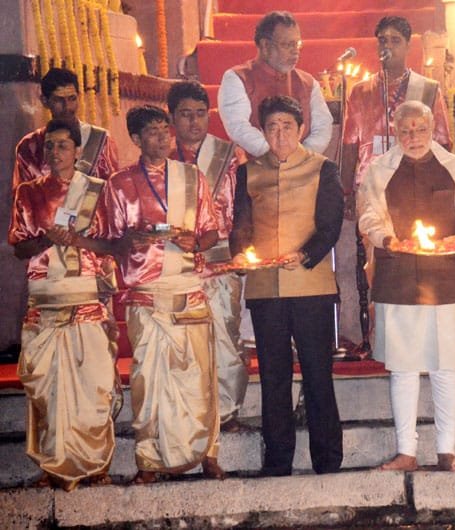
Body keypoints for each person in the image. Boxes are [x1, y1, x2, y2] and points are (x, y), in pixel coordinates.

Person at [96, 105, 224, 484]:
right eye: (151, 132)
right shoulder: (119, 184)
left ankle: (208, 453)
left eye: (164, 129)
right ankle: (149, 460)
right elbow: (106, 242)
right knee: (147, 381)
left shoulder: (192, 176)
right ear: (136, 139)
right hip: (146, 294)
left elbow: (211, 232)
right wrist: (130, 241)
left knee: (200, 377)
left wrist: (194, 242)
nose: (162, 137)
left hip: (187, 289)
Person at [358, 100, 455, 472]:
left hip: (444, 275)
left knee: (446, 366)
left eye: (420, 129)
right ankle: (407, 452)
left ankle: (447, 450)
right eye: (405, 130)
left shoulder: (454, 166)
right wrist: (386, 239)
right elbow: (368, 214)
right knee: (403, 367)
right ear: (395, 131)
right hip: (397, 274)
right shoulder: (379, 169)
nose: (413, 136)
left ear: (433, 128)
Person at [230, 95, 343, 476]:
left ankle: (327, 459)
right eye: (272, 127)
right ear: (262, 131)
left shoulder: (322, 168)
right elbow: (241, 223)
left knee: (317, 373)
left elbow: (330, 225)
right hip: (265, 289)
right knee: (273, 376)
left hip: (311, 286)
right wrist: (239, 253)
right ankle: (278, 460)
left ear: (301, 129)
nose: (279, 134)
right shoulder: (249, 172)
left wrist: (305, 254)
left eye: (287, 126)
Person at [9, 119, 118, 491]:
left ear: (78, 151)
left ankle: (95, 463)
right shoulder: (28, 192)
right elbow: (19, 247)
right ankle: (53, 465)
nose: (56, 152)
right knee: (49, 389)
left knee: (93, 386)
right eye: (50, 146)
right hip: (46, 301)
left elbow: (112, 245)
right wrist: (47, 240)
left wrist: (76, 241)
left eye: (63, 146)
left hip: (86, 298)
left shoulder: (96, 191)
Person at [167, 81, 250, 432]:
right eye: (186, 114)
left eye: (200, 114)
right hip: (176, 263)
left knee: (224, 338)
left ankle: (227, 412)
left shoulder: (229, 155)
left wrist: (242, 250)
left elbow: (244, 206)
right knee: (183, 341)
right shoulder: (163, 159)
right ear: (172, 118)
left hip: (220, 261)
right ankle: (189, 412)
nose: (194, 122)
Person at [341, 15, 451, 217]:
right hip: (371, 185)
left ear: (408, 46)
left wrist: (440, 191)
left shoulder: (427, 89)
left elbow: (442, 143)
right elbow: (349, 145)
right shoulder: (360, 91)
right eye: (383, 40)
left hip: (416, 187)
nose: (388, 46)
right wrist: (346, 192)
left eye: (395, 40)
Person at [218, 10, 333, 158]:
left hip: (303, 165)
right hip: (256, 166)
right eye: (287, 44)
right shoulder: (237, 78)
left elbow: (323, 126)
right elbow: (238, 127)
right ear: (265, 45)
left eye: (297, 44)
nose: (295, 51)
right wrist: (276, 157)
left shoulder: (308, 83)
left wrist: (302, 157)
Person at [14, 67, 118, 191]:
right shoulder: (30, 146)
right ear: (45, 101)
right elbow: (23, 196)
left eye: (72, 99)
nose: (67, 107)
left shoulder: (101, 140)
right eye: (59, 100)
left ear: (79, 97)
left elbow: (112, 192)